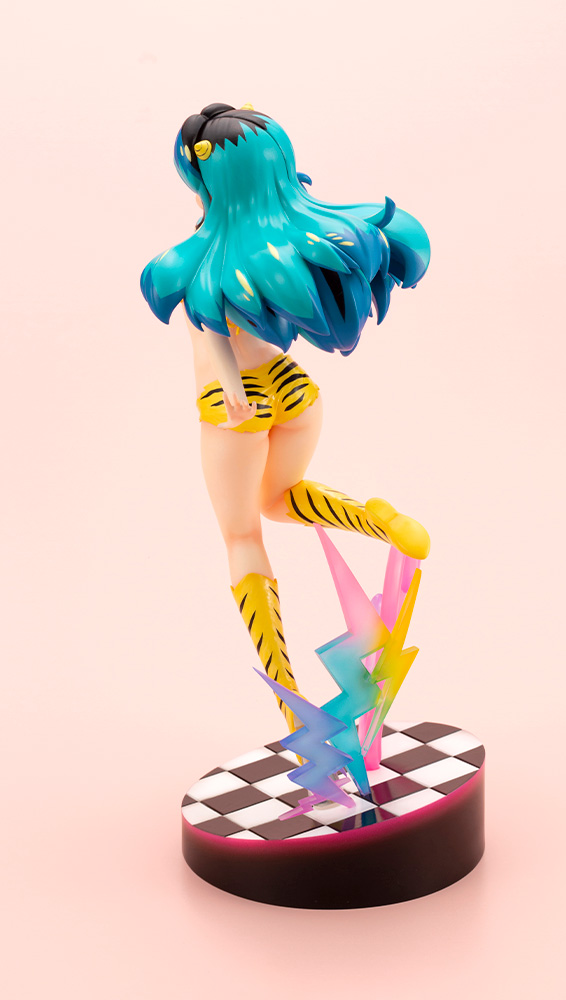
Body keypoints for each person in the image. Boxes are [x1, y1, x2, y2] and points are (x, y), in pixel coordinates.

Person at [141, 103, 431, 734]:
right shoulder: (293, 234)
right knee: (280, 497)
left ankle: (289, 701)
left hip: (234, 405)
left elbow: (208, 325)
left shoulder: (198, 256)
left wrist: (228, 389)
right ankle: (376, 519)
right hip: (296, 392)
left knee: (242, 536)